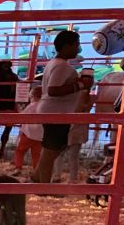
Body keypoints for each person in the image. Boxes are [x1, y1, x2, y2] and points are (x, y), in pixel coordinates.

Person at [32, 30, 90, 186]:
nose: (78, 48)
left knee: (52, 148)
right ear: (66, 46)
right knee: (51, 150)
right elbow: (53, 90)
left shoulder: (56, 63)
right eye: (76, 44)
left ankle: (38, 178)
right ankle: (44, 185)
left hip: (53, 110)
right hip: (55, 111)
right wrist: (80, 85)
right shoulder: (61, 66)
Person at [12, 83, 44, 176]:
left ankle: (18, 168)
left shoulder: (31, 106)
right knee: (36, 154)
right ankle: (36, 171)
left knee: (20, 151)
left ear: (33, 96)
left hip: (28, 134)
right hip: (40, 136)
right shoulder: (45, 107)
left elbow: (23, 117)